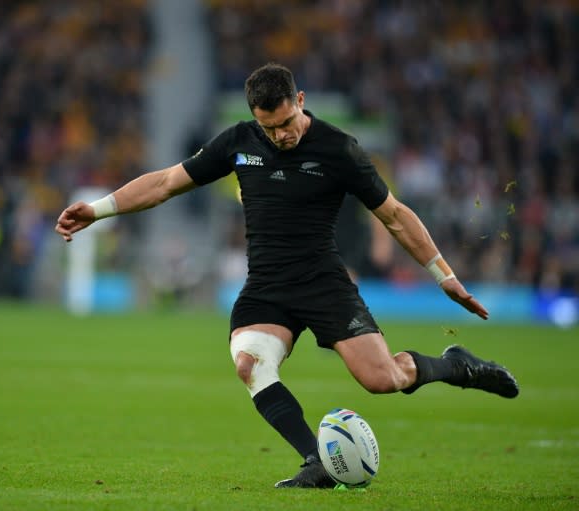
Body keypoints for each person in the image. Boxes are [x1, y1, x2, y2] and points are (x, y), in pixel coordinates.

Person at [55, 63, 519, 489]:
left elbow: (395, 216)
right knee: (249, 364)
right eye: (268, 127)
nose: (279, 135)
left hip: (324, 282)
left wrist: (445, 276)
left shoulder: (339, 149)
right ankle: (316, 460)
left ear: (299, 101)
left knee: (383, 379)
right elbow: (164, 184)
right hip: (267, 288)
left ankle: (457, 364)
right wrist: (97, 210)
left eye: (285, 123)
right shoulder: (239, 142)